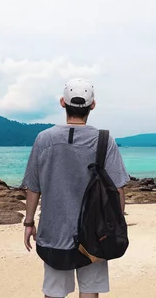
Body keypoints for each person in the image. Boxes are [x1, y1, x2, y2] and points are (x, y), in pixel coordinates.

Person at [21, 78, 130, 298]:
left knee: (53, 292)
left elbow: (33, 187)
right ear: (92, 105)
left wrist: (29, 222)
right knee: (90, 291)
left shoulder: (44, 139)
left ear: (63, 103)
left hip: (53, 232)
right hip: (95, 233)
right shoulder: (104, 140)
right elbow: (118, 189)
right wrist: (114, 226)